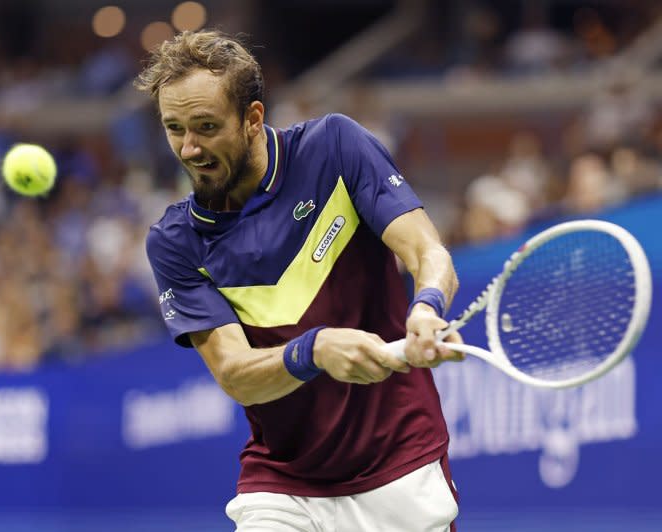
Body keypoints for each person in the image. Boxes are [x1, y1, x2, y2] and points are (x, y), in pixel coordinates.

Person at [135, 29, 464, 532]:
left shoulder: (334, 148)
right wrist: (314, 350)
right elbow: (234, 373)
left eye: (205, 126)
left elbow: (426, 250)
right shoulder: (176, 241)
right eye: (174, 128)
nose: (190, 148)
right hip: (283, 483)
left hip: (399, 463)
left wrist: (426, 305)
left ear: (252, 119)